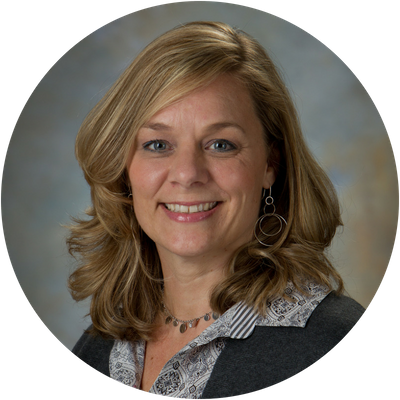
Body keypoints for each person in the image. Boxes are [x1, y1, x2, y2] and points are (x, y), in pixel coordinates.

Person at [68, 21, 365, 398]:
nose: (188, 174)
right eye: (158, 145)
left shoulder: (339, 346)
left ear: (270, 164)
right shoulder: (99, 347)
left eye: (221, 144)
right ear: (125, 170)